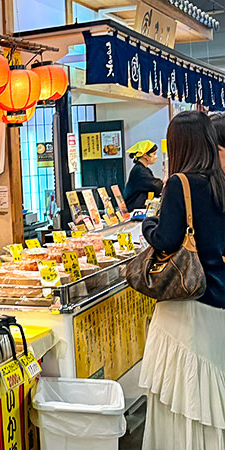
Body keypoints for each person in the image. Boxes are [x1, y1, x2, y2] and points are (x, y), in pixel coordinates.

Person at [139, 111, 225, 449]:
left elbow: (165, 239)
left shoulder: (181, 183)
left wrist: (148, 225)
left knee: (185, 392)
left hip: (186, 302)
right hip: (217, 297)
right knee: (212, 387)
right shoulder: (219, 181)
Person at [122, 140, 163, 211]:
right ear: (145, 155)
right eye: (154, 154)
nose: (156, 157)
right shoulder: (139, 171)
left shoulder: (142, 169)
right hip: (134, 209)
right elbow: (154, 186)